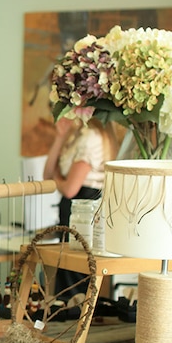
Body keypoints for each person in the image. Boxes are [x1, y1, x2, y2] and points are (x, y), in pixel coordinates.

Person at [43, 116, 118, 299]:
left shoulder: (91, 137)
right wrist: (60, 137)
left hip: (81, 208)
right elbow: (48, 174)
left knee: (74, 270)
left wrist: (59, 182)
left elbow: (69, 188)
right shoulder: (83, 134)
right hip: (81, 207)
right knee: (72, 267)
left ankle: (75, 317)